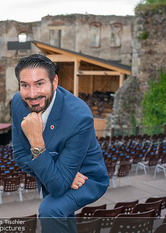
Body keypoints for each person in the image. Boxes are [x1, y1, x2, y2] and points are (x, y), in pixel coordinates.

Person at [11, 54, 109, 233]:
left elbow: (57, 188)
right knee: (62, 217)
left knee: (50, 210)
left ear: (54, 82)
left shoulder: (79, 117)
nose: (32, 94)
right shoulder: (18, 102)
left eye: (39, 83)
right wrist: (58, 172)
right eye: (25, 85)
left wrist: (36, 143)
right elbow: (18, 155)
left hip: (87, 177)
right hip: (55, 172)